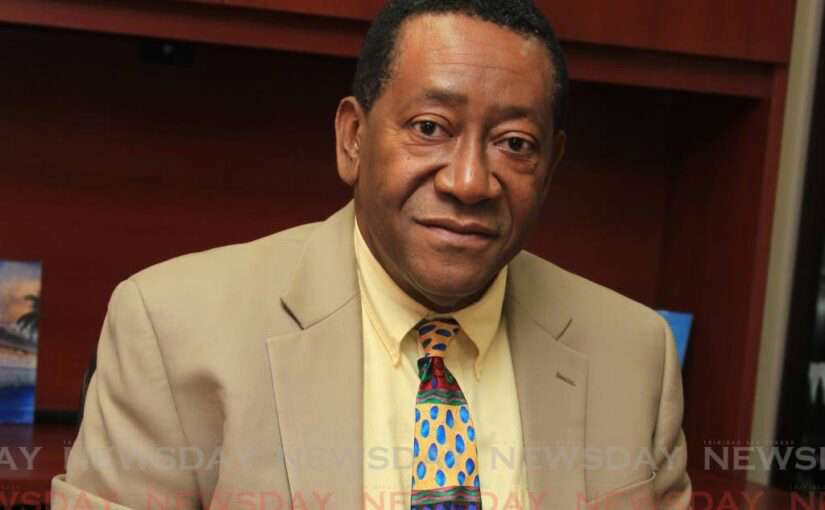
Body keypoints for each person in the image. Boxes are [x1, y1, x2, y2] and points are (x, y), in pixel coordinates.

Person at [52, 1, 692, 508]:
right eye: (430, 128)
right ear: (353, 139)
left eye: (515, 143)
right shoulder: (172, 327)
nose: (469, 182)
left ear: (550, 167)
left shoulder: (636, 354)